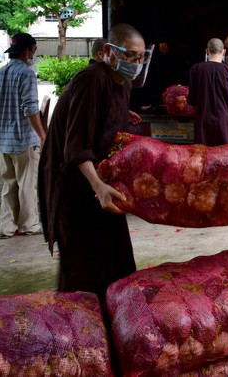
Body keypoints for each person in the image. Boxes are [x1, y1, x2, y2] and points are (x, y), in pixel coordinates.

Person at [39, 24, 146, 301]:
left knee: (118, 260)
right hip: (77, 184)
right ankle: (80, 323)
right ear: (108, 51)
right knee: (84, 270)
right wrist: (98, 186)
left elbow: (105, 118)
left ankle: (114, 316)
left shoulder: (123, 83)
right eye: (130, 55)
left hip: (101, 183)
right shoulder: (92, 79)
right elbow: (75, 146)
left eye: (140, 57)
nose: (136, 63)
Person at [0, 32, 46, 239]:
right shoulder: (26, 74)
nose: (34, 55)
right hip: (24, 140)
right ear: (26, 51)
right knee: (27, 185)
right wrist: (42, 135)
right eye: (34, 50)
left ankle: (6, 227)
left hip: (2, 140)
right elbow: (30, 108)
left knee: (9, 184)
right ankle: (29, 224)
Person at [187, 38, 228, 146]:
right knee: (225, 155)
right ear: (224, 52)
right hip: (224, 122)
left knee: (203, 154)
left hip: (203, 121)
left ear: (207, 51)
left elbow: (192, 100)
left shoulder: (196, 69)